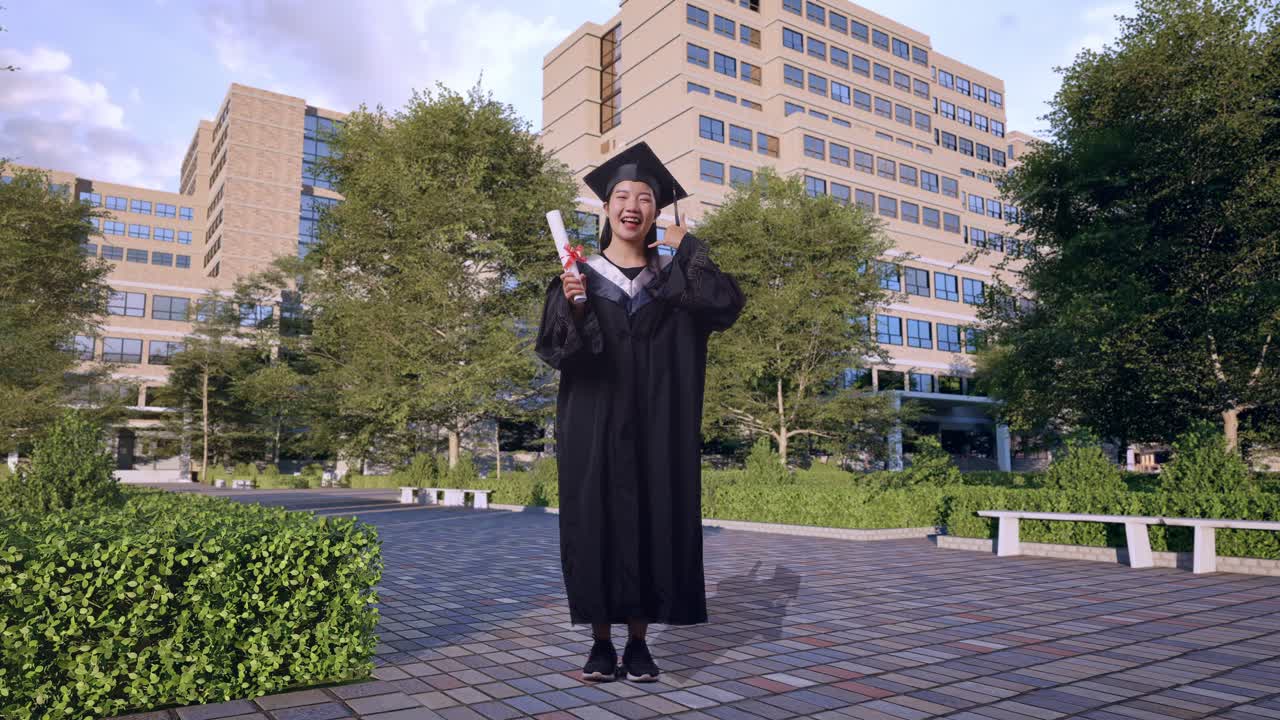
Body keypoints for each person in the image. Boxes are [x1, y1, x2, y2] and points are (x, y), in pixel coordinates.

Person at [535, 142, 745, 682]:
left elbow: (725, 305)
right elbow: (560, 353)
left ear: (657, 212)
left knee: (655, 518)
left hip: (659, 426)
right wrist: (576, 306)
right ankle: (600, 643)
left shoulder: (676, 283)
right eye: (621, 194)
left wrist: (688, 244)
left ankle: (640, 641)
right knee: (596, 522)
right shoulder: (578, 277)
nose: (633, 203)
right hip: (595, 426)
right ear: (605, 208)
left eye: (645, 197)